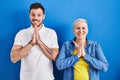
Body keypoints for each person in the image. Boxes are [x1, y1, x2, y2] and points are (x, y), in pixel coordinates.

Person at [10, 2, 59, 80]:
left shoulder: (51, 33)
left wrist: (39, 42)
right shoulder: (21, 33)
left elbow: (54, 57)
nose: (36, 18)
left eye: (39, 15)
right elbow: (14, 58)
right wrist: (32, 43)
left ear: (43, 16)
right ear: (29, 16)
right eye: (33, 15)